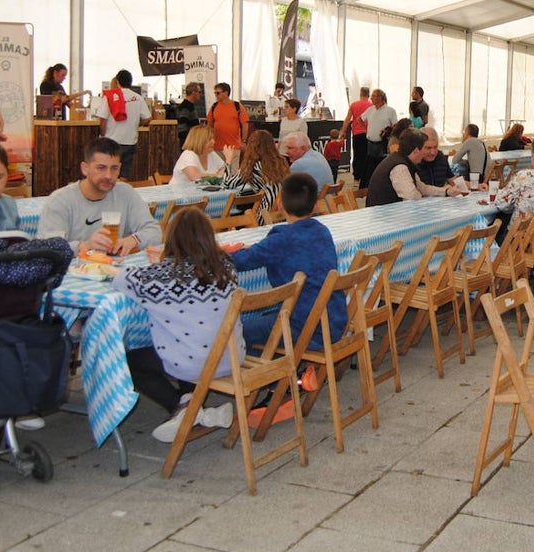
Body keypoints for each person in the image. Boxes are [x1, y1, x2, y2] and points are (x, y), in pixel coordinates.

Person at [114, 207, 237, 443]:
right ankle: (193, 406)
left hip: (190, 362)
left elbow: (121, 279)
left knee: (130, 361)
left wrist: (159, 263)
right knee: (184, 337)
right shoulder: (227, 266)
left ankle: (184, 410)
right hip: (227, 357)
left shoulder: (160, 275)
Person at [232, 173, 344, 353]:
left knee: (235, 332)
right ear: (315, 205)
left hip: (303, 327)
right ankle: (297, 373)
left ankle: (273, 377)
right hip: (332, 320)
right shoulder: (322, 231)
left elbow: (241, 261)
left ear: (280, 204)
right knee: (267, 318)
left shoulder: (281, 238)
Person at [36, 137, 162, 254]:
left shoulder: (125, 193)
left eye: (114, 168)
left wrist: (134, 240)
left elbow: (155, 232)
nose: (108, 175)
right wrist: (84, 246)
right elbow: (47, 248)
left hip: (115, 269)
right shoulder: (60, 200)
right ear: (85, 168)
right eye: (101, 168)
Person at [366, 129, 462, 206]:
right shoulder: (400, 167)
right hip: (383, 220)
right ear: (416, 151)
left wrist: (446, 191)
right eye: (425, 148)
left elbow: (421, 187)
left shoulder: (404, 161)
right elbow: (412, 197)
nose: (428, 153)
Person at [94, 69, 151, 180]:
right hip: (130, 141)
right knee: (124, 173)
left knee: (109, 173)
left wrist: (103, 134)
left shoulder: (110, 97)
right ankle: (121, 195)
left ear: (117, 82)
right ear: (131, 82)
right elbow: (148, 118)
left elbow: (103, 119)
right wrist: (137, 124)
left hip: (111, 141)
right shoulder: (138, 98)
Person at [222, 128, 289, 215]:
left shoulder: (253, 164)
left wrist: (228, 161)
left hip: (264, 213)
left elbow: (227, 184)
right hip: (282, 211)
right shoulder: (281, 161)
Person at [358, 89, 396, 189]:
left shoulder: (390, 111)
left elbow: (395, 126)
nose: (371, 98)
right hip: (371, 142)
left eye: (373, 96)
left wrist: (387, 131)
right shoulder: (370, 110)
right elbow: (360, 119)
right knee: (370, 166)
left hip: (382, 143)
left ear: (380, 97)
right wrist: (366, 130)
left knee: (381, 165)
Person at [338, 86, 373, 185]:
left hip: (357, 134)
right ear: (368, 94)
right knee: (367, 156)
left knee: (357, 156)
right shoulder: (372, 106)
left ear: (360, 94)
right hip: (368, 134)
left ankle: (356, 179)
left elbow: (348, 119)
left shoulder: (354, 105)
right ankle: (366, 179)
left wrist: (343, 131)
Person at [207, 82, 248, 151]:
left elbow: (245, 124)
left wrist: (243, 141)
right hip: (217, 147)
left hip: (234, 147)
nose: (216, 95)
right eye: (215, 93)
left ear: (226, 93)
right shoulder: (214, 106)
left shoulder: (237, 106)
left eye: (218, 93)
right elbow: (209, 124)